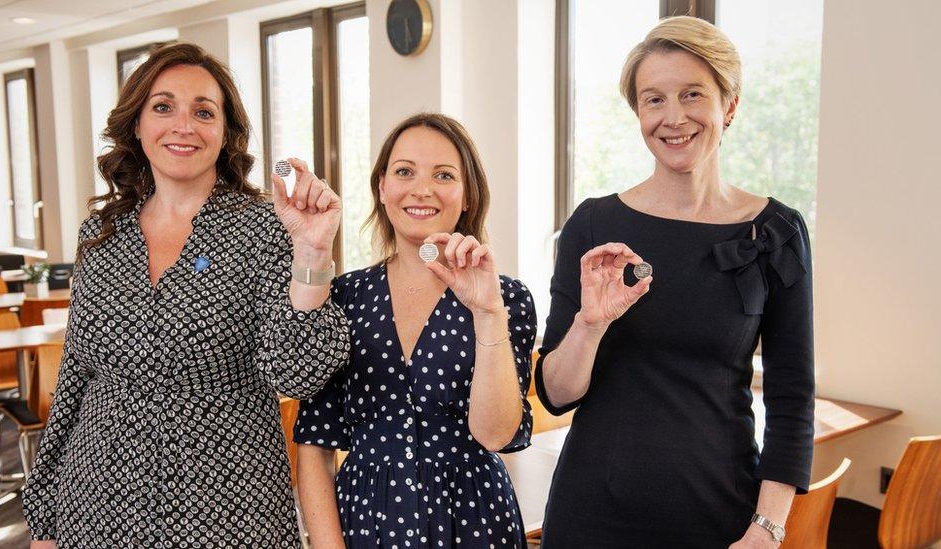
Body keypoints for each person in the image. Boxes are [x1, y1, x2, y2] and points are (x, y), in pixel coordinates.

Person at [22, 43, 351, 548]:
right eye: (163, 106)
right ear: (137, 124)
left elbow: (296, 373)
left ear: (224, 133)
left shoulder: (262, 229)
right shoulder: (103, 233)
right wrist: (44, 519)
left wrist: (311, 253)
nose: (183, 125)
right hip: (96, 507)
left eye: (203, 111)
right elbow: (75, 379)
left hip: (228, 508)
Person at [535, 16, 815, 548]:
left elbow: (792, 396)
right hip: (590, 514)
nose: (673, 117)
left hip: (720, 515)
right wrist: (590, 324)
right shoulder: (593, 225)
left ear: (728, 105)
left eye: (692, 94)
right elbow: (554, 394)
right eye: (653, 99)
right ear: (638, 113)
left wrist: (768, 528)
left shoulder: (777, 232)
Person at [294, 113, 537, 548]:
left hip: (474, 521)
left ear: (467, 197)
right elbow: (315, 443)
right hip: (365, 521)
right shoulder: (343, 297)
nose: (421, 189)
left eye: (443, 175)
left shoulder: (506, 299)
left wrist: (487, 313)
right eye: (404, 171)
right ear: (382, 188)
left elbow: (496, 434)